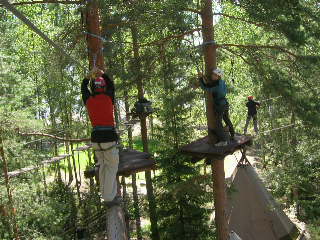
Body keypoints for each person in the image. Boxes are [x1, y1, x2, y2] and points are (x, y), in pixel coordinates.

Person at [81, 68, 119, 204]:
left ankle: (105, 194)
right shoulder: (109, 97)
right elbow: (111, 85)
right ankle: (109, 198)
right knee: (111, 167)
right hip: (108, 138)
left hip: (96, 139)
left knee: (102, 166)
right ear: (104, 88)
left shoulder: (89, 100)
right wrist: (102, 73)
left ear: (93, 88)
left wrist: (88, 76)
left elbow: (83, 88)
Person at [198, 68, 235, 147]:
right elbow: (212, 86)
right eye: (212, 74)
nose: (212, 76)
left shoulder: (216, 84)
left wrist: (201, 78)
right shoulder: (222, 82)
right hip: (225, 103)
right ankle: (233, 134)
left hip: (220, 105)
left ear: (218, 76)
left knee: (218, 123)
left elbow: (205, 88)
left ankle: (223, 141)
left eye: (214, 75)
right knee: (226, 119)